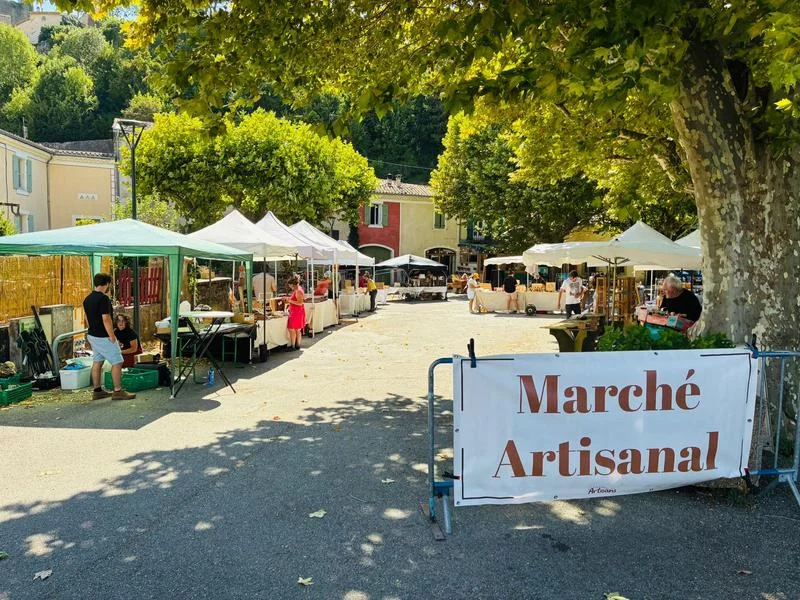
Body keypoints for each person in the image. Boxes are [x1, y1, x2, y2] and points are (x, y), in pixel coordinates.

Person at [82, 273, 136, 401]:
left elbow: (86, 317)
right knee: (118, 361)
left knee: (98, 361)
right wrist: (112, 335)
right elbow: (106, 318)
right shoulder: (103, 299)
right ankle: (118, 391)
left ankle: (97, 390)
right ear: (107, 284)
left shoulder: (87, 299)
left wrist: (92, 329)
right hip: (103, 336)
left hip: (92, 334)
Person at [286, 275, 305, 351]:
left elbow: (300, 303)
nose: (290, 287)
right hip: (297, 311)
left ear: (292, 284)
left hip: (296, 312)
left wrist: (289, 300)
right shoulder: (298, 290)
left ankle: (294, 346)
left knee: (292, 329)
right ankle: (297, 345)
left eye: (290, 285)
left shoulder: (298, 291)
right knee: (297, 329)